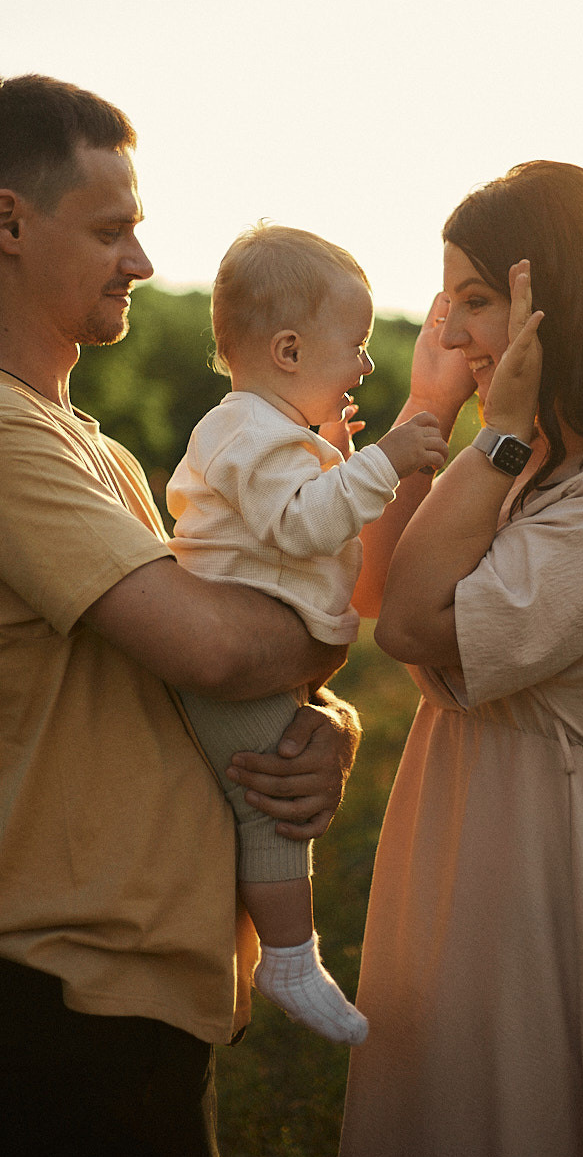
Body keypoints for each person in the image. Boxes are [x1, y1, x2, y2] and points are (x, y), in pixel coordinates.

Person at [0, 74, 361, 1157]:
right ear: (7, 224)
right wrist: (324, 643)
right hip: (65, 1007)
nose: (142, 261)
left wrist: (328, 722)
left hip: (131, 992)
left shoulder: (82, 441)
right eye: (111, 228)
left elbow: (193, 665)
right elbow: (204, 641)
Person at [330, 161, 583, 1157]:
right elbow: (375, 586)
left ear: (559, 302)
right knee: (428, 1146)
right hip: (458, 835)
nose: (452, 327)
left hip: (557, 873)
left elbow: (410, 626)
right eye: (446, 300)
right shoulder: (527, 466)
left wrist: (489, 436)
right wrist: (425, 412)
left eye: (477, 299)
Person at [166, 224, 448, 1046]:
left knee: (273, 785)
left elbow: (317, 518)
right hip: (229, 672)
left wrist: (339, 453)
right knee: (271, 804)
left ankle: (272, 954)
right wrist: (383, 463)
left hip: (268, 653)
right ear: (288, 350)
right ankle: (288, 959)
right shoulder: (241, 432)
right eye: (354, 346)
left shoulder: (273, 434)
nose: (365, 363)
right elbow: (298, 525)